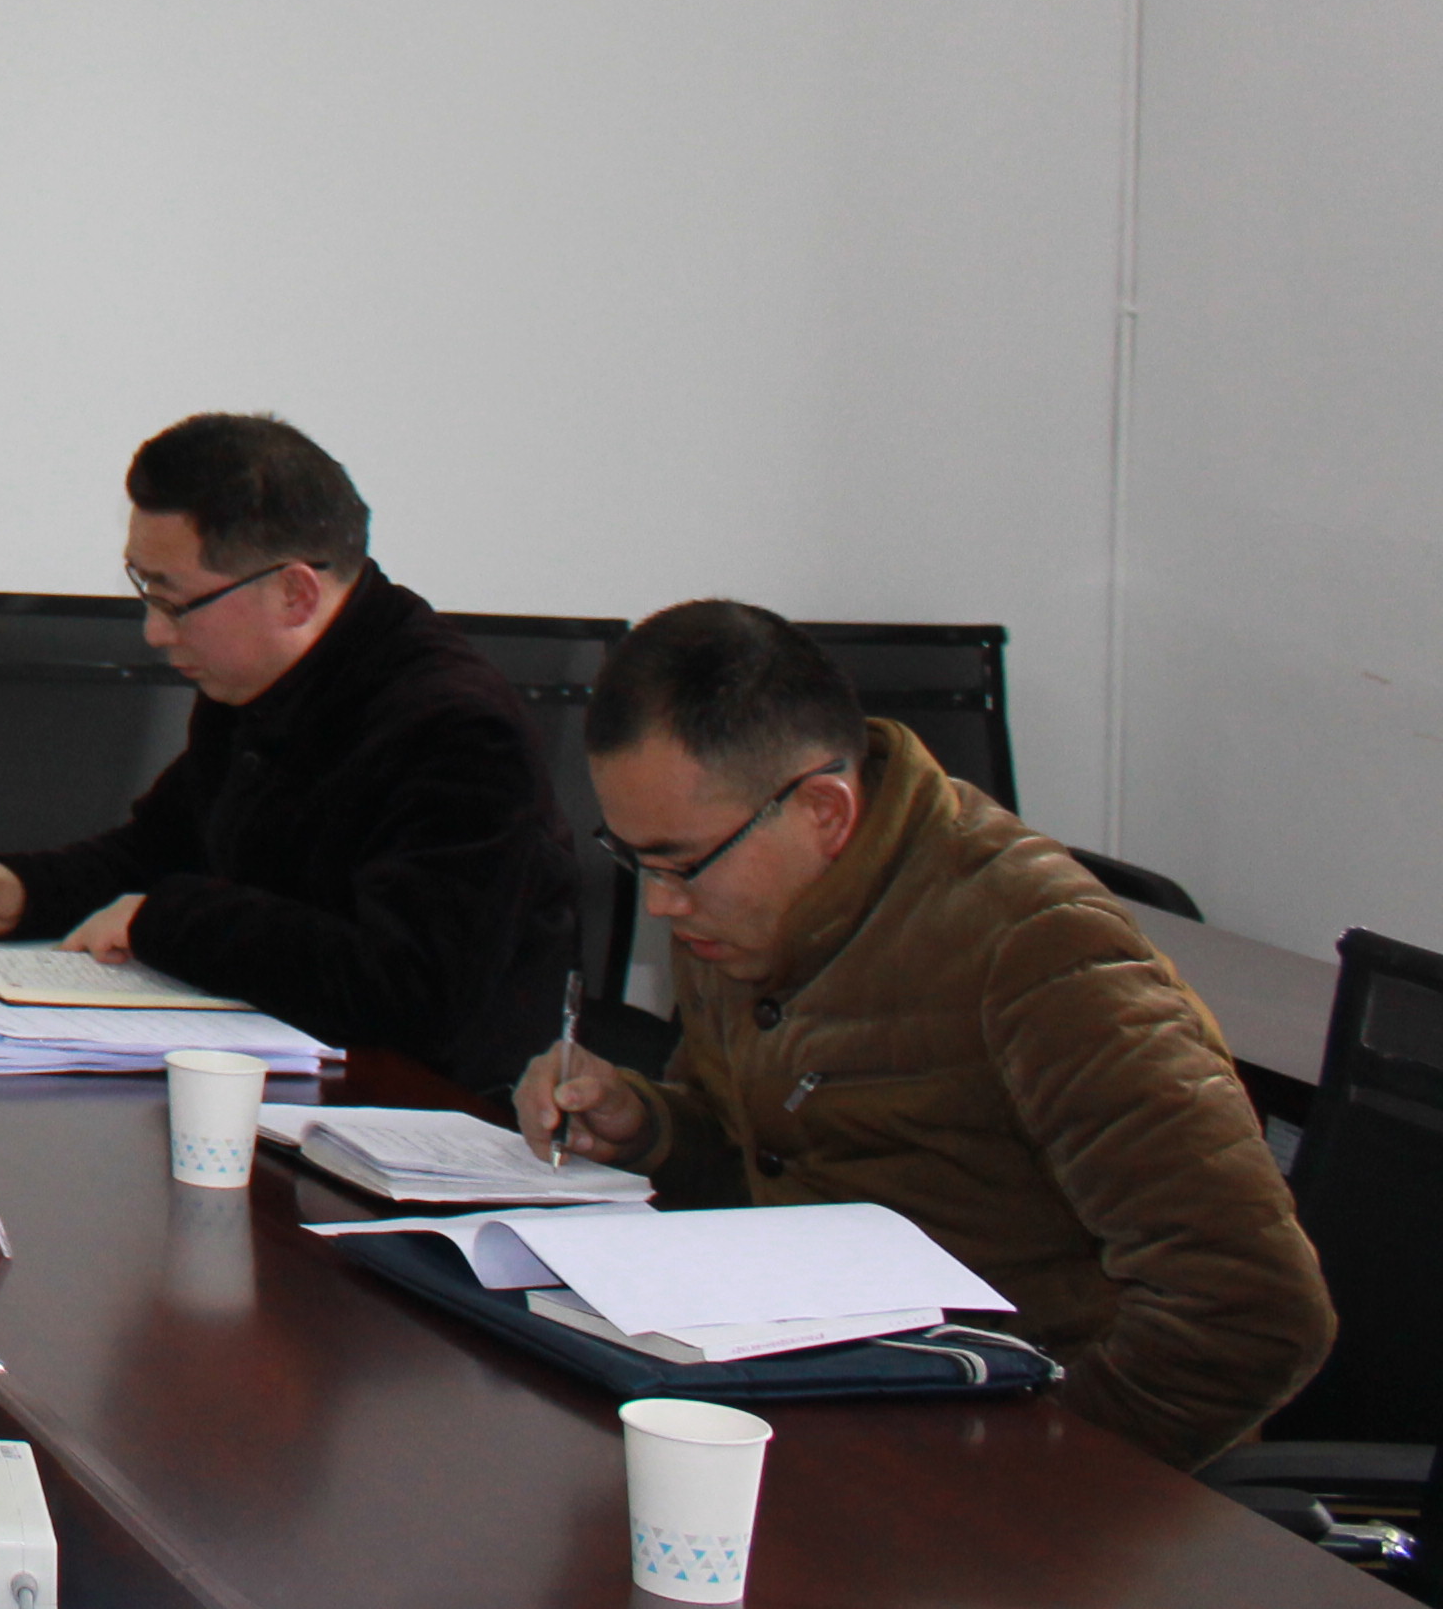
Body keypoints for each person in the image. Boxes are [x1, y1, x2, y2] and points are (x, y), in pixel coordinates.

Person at [514, 601, 1328, 1467]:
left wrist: (1038, 1479)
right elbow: (764, 1161)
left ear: (824, 811)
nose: (660, 903)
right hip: (838, 1401)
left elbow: (1254, 1311)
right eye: (637, 860)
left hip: (1021, 1461)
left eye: (679, 863)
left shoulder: (1039, 949)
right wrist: (647, 1126)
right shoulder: (740, 910)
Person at [0, 412, 576, 1090]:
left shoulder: (457, 730)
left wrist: (166, 919)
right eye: (145, 590)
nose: (153, 632)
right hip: (268, 1074)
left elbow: (405, 990)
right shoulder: (257, 680)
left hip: (418, 1109)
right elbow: (162, 849)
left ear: (295, 593)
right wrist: (28, 890)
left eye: (175, 603)